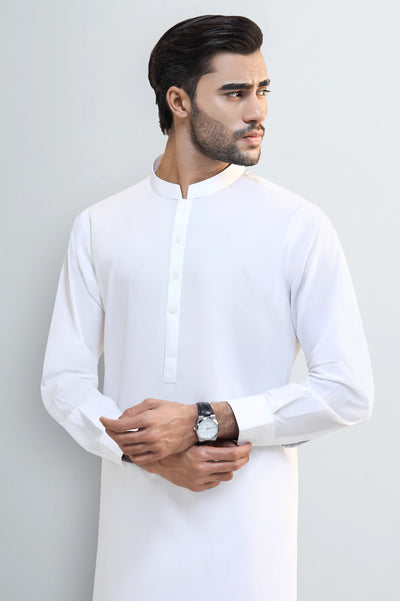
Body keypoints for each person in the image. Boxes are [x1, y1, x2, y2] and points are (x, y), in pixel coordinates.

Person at [40, 14, 374, 601]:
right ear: (179, 102)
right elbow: (63, 381)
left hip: (249, 547)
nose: (257, 111)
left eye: (263, 90)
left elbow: (347, 390)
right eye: (235, 93)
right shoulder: (100, 226)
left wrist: (205, 419)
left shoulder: (296, 226)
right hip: (132, 547)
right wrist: (146, 456)